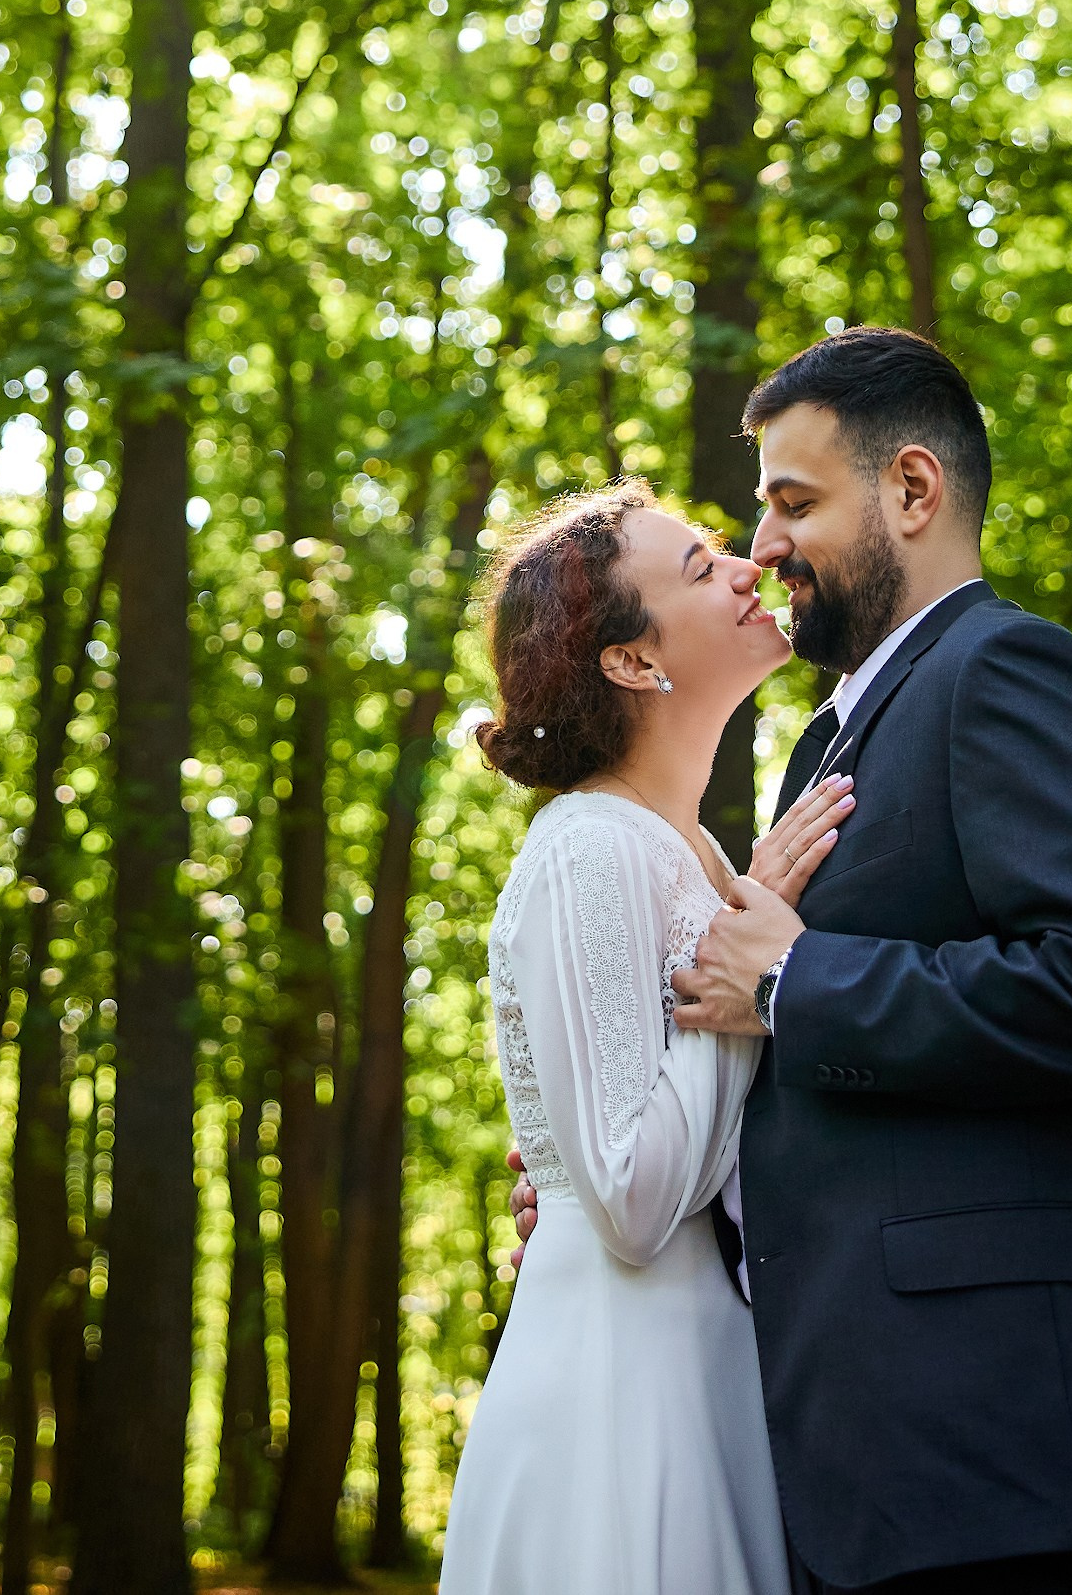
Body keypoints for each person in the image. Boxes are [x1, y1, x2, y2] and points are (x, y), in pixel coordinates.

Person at [516, 326, 1072, 1595]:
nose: (764, 547)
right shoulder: (823, 746)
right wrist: (647, 1213)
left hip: (1019, 1449)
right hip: (869, 1454)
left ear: (912, 489)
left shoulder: (1003, 669)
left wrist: (798, 983)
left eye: (794, 502)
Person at [438, 477, 857, 1595]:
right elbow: (626, 1196)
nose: (744, 566)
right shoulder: (588, 847)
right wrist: (741, 967)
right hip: (621, 1389)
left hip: (707, 1357)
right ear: (630, 660)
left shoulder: (703, 855)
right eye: (697, 564)